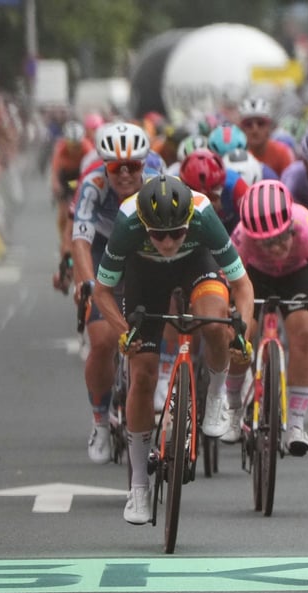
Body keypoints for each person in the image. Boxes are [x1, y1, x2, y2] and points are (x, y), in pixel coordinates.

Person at [93, 175, 255, 524]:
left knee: (215, 325)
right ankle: (138, 487)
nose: (167, 242)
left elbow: (242, 286)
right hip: (144, 275)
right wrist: (124, 333)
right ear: (145, 226)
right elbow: (102, 292)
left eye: (176, 233)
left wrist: (241, 331)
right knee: (144, 371)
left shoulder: (203, 215)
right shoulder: (128, 220)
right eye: (158, 235)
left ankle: (215, 397)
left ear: (188, 224)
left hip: (196, 265)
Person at [220, 180, 308, 453]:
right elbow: (227, 288)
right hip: (255, 277)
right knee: (239, 336)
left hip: (297, 275)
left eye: (282, 238)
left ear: (291, 225)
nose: (275, 247)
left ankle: (295, 423)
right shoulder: (241, 236)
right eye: (266, 242)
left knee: (305, 334)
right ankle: (234, 408)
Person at [69, 121, 157, 464]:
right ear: (104, 166)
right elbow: (80, 239)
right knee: (104, 340)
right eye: (115, 168)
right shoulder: (92, 184)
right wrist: (88, 284)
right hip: (103, 249)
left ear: (145, 164)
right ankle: (100, 422)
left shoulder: (157, 181)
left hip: (143, 245)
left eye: (132, 166)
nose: (123, 175)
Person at [50, 120, 92, 291]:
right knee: (63, 213)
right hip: (66, 176)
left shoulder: (86, 147)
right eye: (71, 146)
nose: (75, 149)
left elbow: (89, 173)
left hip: (81, 174)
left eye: (77, 146)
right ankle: (65, 239)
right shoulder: (61, 148)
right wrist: (56, 187)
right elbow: (54, 172)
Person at [178, 148, 248, 232]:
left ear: (223, 184)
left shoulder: (236, 185)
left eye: (212, 196)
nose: (208, 203)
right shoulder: (176, 189)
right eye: (199, 197)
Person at [239, 96, 295, 175]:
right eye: (248, 124)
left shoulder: (283, 153)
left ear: (269, 127)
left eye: (260, 123)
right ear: (242, 129)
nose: (255, 130)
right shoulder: (237, 156)